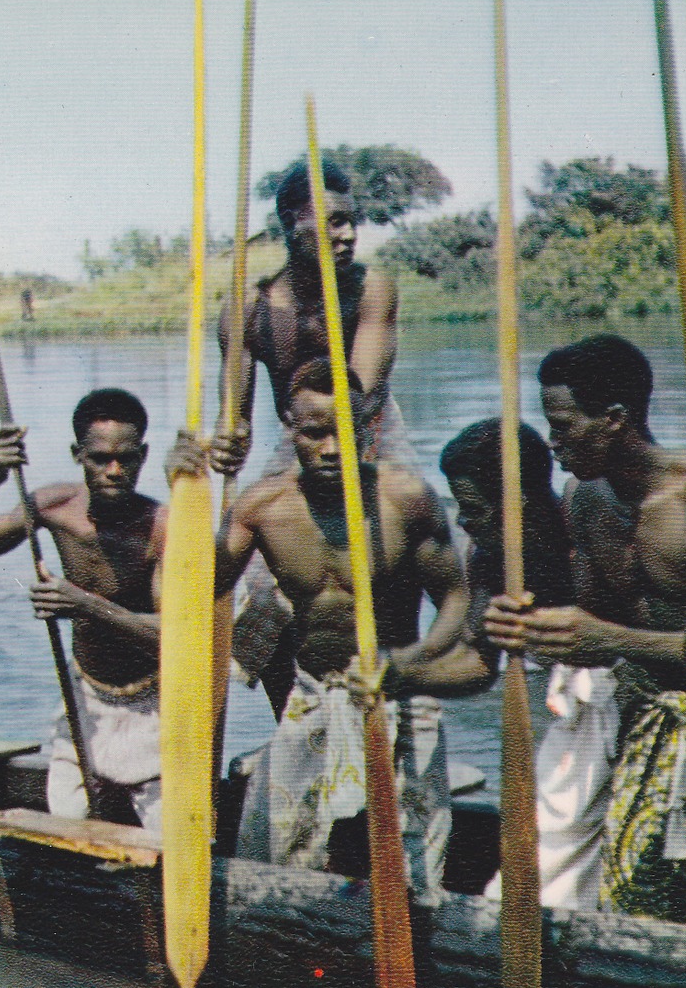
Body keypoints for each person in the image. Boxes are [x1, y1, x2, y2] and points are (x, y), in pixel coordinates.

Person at [172, 358, 490, 899]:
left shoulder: (405, 499)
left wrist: (409, 665)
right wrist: (185, 487)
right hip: (313, 693)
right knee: (275, 858)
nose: (331, 450)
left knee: (415, 866)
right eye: (314, 433)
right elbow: (190, 592)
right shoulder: (262, 507)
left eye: (345, 433)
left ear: (368, 428)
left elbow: (456, 599)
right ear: (288, 428)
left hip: (397, 693)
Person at [484, 334, 686, 924]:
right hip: (640, 716)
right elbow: (592, 628)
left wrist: (606, 640)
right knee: (624, 898)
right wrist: (526, 626)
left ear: (614, 420)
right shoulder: (584, 501)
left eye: (563, 427)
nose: (554, 444)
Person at [208, 163, 403, 713]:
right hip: (295, 440)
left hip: (374, 433)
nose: (347, 235)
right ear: (290, 225)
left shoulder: (371, 290)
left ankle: (390, 703)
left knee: (395, 563)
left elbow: (358, 395)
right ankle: (295, 714)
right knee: (259, 596)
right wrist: (226, 442)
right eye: (331, 222)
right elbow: (236, 421)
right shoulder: (248, 308)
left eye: (351, 222)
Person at [0, 389, 165, 830]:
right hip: (86, 695)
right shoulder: (55, 506)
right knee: (66, 817)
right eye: (100, 458)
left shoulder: (163, 528)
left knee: (167, 833)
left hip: (154, 700)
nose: (114, 471)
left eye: (127, 458)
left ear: (144, 455)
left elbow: (174, 635)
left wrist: (84, 604)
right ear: (77, 455)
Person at [442, 418, 617, 911]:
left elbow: (616, 636)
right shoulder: (489, 554)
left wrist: (554, 629)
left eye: (473, 510)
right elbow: (477, 664)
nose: (462, 523)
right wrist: (396, 674)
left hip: (621, 694)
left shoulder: (585, 526)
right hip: (574, 712)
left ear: (514, 505)